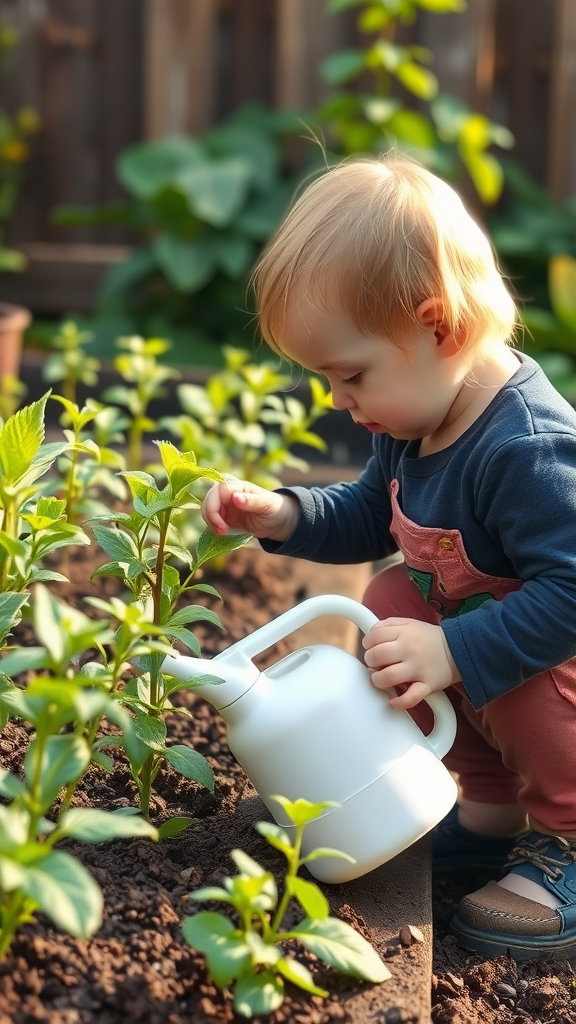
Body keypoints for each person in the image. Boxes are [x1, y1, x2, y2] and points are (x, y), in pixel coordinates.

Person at [201, 155, 576, 961]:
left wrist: (457, 649)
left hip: (560, 667)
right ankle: (488, 811)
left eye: (351, 375)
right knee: (392, 600)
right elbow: (373, 515)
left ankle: (568, 840)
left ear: (436, 326)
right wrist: (282, 514)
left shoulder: (529, 450)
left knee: (496, 659)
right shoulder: (419, 423)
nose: (340, 400)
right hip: (497, 659)